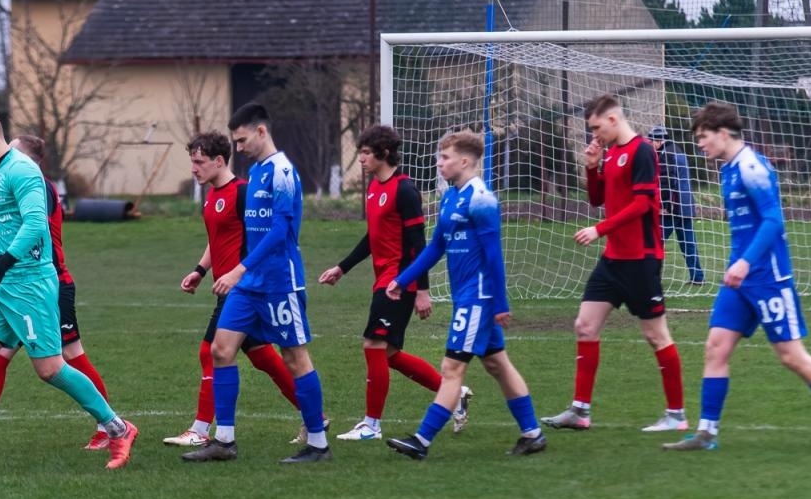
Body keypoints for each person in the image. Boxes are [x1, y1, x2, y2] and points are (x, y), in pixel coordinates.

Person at [0, 108, 136, 472]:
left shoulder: (22, 169)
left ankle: (118, 428)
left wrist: (0, 268)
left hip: (28, 284)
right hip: (2, 284)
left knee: (50, 368)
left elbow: (36, 225)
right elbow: (8, 230)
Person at [664, 102, 811, 452]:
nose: (699, 144)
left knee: (791, 356)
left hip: (768, 278)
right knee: (716, 347)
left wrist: (745, 263)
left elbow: (774, 220)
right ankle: (706, 432)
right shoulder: (727, 168)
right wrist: (738, 265)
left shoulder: (751, 166)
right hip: (739, 279)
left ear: (724, 133)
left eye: (703, 136)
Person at [181, 102, 330, 463]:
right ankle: (225, 441)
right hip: (249, 286)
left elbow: (281, 231)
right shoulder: (259, 171)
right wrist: (209, 268)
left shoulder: (281, 172)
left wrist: (238, 270)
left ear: (261, 132)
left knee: (295, 358)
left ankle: (318, 443)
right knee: (220, 350)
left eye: (242, 139)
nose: (239, 147)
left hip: (279, 282)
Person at [384, 130, 547, 460]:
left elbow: (493, 256)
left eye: (444, 158)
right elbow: (435, 248)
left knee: (451, 368)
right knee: (497, 363)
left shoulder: (481, 199)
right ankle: (533, 433)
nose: (439, 163)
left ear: (464, 161)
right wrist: (403, 280)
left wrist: (499, 303)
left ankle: (422, 440)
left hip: (479, 298)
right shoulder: (450, 196)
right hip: (466, 296)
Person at [546, 97, 686, 433]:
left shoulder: (642, 151)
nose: (594, 134)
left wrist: (599, 229)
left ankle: (677, 416)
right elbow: (598, 199)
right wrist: (592, 166)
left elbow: (643, 204)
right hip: (614, 259)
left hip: (641, 260)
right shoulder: (609, 154)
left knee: (656, 336)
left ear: (612, 119)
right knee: (585, 326)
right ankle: (580, 411)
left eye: (596, 127)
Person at [318, 124, 461, 442]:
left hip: (400, 282)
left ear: (383, 153)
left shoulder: (405, 190)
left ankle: (371, 424)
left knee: (373, 345)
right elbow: (373, 237)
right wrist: (342, 268)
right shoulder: (373, 189)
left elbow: (417, 243)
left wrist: (422, 290)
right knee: (389, 354)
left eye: (366, 153)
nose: (362, 160)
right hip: (383, 280)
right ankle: (452, 393)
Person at [162, 131, 299, 450]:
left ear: (219, 161)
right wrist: (200, 270)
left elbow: (261, 239)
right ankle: (314, 416)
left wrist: (241, 274)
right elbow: (217, 239)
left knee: (210, 351)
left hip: (243, 289)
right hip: (231, 287)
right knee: (264, 357)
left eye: (199, 162)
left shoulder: (243, 194)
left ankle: (200, 428)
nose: (193, 169)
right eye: (192, 162)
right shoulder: (211, 196)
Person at [650, 124, 704, 284]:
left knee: (654, 241)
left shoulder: (666, 154)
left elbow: (667, 182)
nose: (651, 144)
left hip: (673, 207)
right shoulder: (677, 150)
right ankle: (698, 277)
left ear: (659, 140)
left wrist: (665, 206)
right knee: (688, 243)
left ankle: (650, 277)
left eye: (651, 140)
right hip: (686, 205)